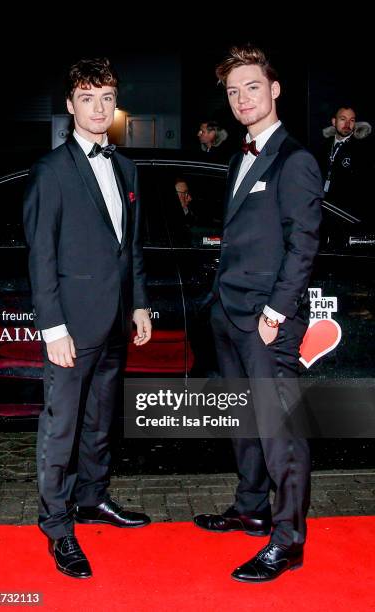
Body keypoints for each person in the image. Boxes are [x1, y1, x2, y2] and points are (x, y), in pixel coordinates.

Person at [193, 45, 322, 583]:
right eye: (232, 91)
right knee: (243, 423)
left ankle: (288, 540)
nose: (242, 99)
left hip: (268, 319)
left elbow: (303, 245)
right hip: (229, 312)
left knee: (279, 432)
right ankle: (251, 506)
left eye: (252, 87)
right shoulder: (238, 157)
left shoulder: (296, 160)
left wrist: (275, 311)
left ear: (274, 89)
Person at [23, 57, 152, 579]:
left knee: (100, 424)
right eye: (87, 98)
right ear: (71, 105)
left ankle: (93, 498)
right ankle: (56, 526)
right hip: (71, 330)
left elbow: (131, 247)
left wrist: (139, 302)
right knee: (62, 428)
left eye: (106, 98)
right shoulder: (51, 171)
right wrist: (52, 328)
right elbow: (41, 257)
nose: (98, 108)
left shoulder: (127, 168)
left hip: (116, 319)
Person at [318, 105, 373, 220]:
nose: (347, 125)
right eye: (343, 119)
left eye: (351, 120)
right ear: (334, 121)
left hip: (346, 215)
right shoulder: (324, 146)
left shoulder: (362, 150)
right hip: (323, 210)